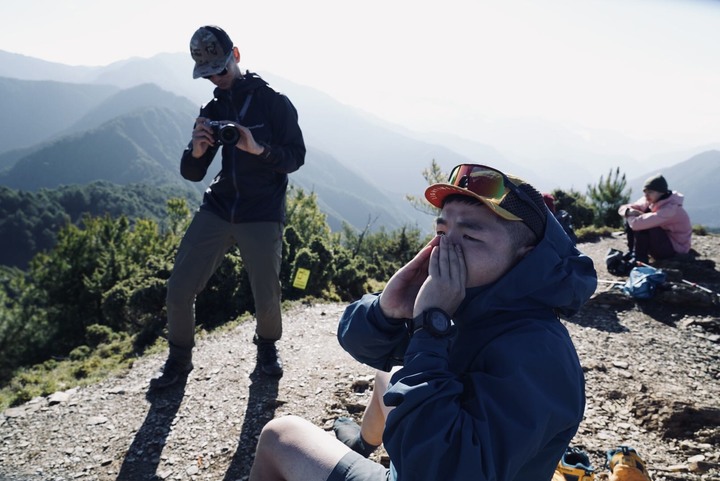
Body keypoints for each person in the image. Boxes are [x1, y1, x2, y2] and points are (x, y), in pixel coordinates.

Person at [248, 164, 597, 481]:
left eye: (471, 236)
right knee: (387, 376)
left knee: (280, 436)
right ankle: (363, 443)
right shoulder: (472, 299)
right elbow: (362, 344)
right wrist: (387, 308)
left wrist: (431, 328)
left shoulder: (539, 353)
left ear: (526, 255)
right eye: (442, 231)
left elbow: (443, 471)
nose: (446, 248)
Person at [150, 25, 306, 389]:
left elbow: (295, 157)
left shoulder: (274, 102)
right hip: (219, 207)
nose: (216, 79)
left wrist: (258, 148)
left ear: (236, 55)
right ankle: (179, 359)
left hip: (262, 211)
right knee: (178, 288)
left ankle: (267, 347)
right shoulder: (213, 107)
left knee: (266, 295)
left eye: (220, 69)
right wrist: (197, 150)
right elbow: (193, 173)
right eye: (207, 74)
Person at [618, 174, 691, 265]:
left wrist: (629, 215)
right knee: (635, 217)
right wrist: (628, 212)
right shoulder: (652, 199)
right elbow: (622, 209)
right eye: (645, 192)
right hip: (665, 241)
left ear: (661, 192)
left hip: (675, 249)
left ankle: (640, 259)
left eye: (650, 192)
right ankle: (632, 253)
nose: (646, 195)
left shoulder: (670, 209)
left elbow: (636, 225)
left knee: (645, 225)